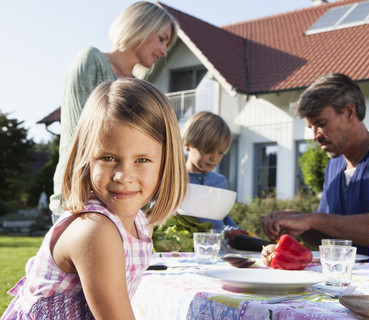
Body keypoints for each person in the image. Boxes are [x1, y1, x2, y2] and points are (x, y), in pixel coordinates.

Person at [2, 78, 188, 319]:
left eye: (142, 160)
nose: (123, 176)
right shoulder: (95, 230)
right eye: (108, 158)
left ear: (166, 163)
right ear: (87, 158)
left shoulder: (140, 222)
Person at [261, 73, 369, 255]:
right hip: (348, 280)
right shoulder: (334, 165)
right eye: (311, 128)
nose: (315, 135)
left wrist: (312, 219)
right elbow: (327, 234)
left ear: (349, 112)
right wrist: (296, 223)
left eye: (321, 124)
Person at [50, 1, 179, 222]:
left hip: (121, 202)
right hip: (82, 201)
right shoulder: (91, 60)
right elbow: (82, 139)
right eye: (161, 38)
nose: (164, 51)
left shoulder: (138, 86)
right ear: (141, 26)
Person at [181, 111, 242, 231]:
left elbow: (223, 219)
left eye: (220, 153)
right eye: (208, 150)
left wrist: (240, 232)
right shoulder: (173, 180)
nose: (214, 158)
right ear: (187, 145)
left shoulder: (220, 182)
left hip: (215, 247)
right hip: (182, 248)